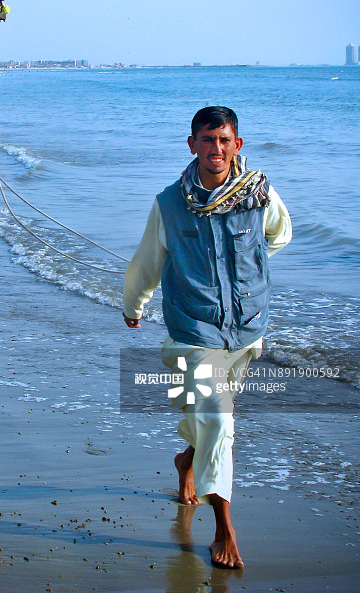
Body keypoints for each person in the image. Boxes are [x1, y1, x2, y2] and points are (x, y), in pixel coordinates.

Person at [122, 106, 292, 569]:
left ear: (237, 145)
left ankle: (187, 461)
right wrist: (133, 305)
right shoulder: (170, 202)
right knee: (218, 419)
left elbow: (278, 235)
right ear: (192, 143)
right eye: (206, 139)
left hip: (247, 326)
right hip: (193, 327)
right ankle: (224, 528)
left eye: (224, 140)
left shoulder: (260, 194)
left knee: (214, 418)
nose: (215, 149)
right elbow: (146, 261)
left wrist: (248, 273)